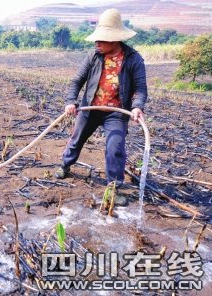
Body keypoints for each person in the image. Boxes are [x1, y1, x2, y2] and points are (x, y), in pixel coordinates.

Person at [55, 8, 147, 205]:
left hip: (116, 113)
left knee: (115, 147)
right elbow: (76, 81)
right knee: (76, 138)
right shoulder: (94, 56)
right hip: (90, 108)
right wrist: (71, 101)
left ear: (114, 40)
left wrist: (137, 106)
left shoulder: (133, 59)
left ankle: (113, 188)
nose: (96, 43)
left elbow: (140, 88)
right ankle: (65, 165)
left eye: (101, 40)